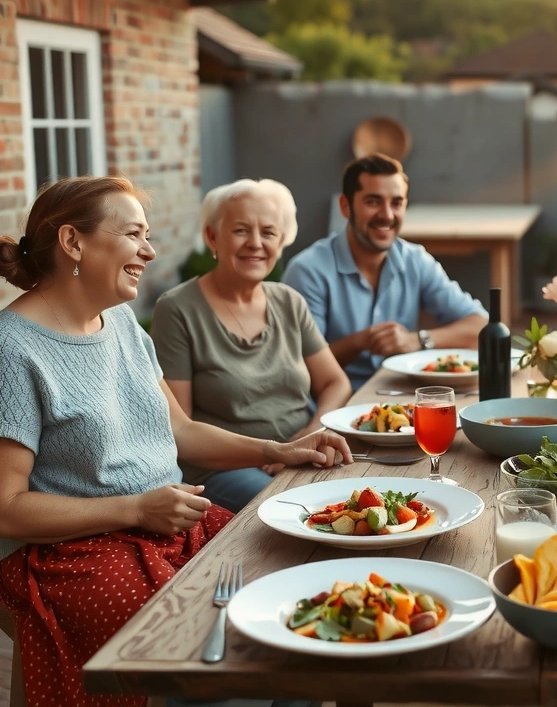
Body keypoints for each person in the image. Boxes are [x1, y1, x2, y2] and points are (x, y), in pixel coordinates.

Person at [0, 176, 351, 707]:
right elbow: (7, 510)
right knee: (181, 642)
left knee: (293, 592)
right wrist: (136, 508)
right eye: (134, 235)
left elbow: (180, 430)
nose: (150, 250)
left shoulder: (120, 323)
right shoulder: (13, 348)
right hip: (66, 550)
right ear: (74, 243)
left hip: (164, 520)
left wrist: (273, 450)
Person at [151, 179, 353, 513]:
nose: (256, 243)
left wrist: (308, 435)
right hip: (228, 468)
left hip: (302, 452)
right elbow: (181, 430)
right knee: (306, 513)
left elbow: (336, 382)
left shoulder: (289, 301)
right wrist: (274, 451)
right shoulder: (177, 309)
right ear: (212, 237)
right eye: (241, 230)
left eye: (269, 232)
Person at [282, 153, 487, 391]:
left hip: (406, 397)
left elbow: (481, 326)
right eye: (373, 201)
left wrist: (417, 340)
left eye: (396, 203)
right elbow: (298, 367)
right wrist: (359, 342)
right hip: (337, 405)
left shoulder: (415, 260)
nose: (387, 215)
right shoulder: (307, 271)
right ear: (346, 206)